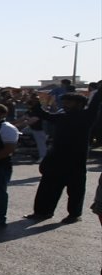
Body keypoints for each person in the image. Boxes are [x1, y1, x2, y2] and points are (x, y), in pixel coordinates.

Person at [25, 91, 100, 223]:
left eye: (68, 102)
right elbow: (45, 115)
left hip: (76, 159)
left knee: (75, 190)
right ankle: (42, 212)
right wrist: (36, 105)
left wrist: (99, 90)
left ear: (80, 104)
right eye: (64, 102)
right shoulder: (61, 116)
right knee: (47, 187)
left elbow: (95, 103)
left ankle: (74, 215)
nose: (65, 105)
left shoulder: (87, 116)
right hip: (56, 158)